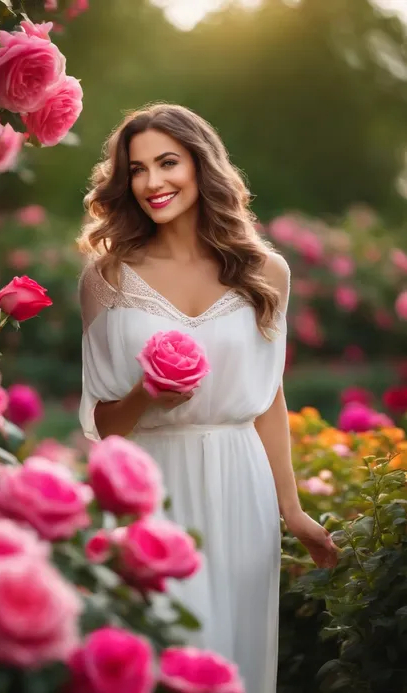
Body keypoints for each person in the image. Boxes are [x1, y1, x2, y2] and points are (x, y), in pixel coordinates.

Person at [77, 103, 337, 692]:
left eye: (168, 163)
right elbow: (100, 421)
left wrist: (292, 511)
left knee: (233, 662)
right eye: (137, 170)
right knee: (158, 659)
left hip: (240, 484)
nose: (152, 183)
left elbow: (267, 397)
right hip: (150, 488)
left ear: (202, 165)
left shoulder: (267, 272)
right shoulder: (107, 277)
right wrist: (148, 392)